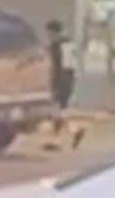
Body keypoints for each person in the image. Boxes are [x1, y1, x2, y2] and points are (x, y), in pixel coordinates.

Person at [44, 20, 86, 150]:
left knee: (57, 111)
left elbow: (55, 65)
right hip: (69, 78)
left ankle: (61, 138)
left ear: (52, 31)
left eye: (48, 32)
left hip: (61, 80)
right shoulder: (69, 43)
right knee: (61, 111)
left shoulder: (56, 44)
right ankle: (71, 133)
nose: (47, 35)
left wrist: (52, 82)